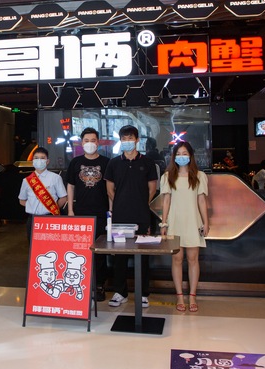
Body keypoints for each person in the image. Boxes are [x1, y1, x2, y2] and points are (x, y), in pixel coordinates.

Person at [104, 125, 158, 308]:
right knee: (120, 256)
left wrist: (140, 204)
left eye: (130, 138)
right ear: (120, 141)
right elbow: (110, 189)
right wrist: (121, 203)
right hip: (120, 217)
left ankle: (143, 293)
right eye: (124, 139)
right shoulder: (113, 163)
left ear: (137, 140)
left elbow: (152, 189)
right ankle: (120, 292)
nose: (127, 141)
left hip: (142, 216)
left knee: (142, 255)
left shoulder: (148, 162)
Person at [159, 141, 209, 312]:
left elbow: (202, 201)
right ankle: (180, 296)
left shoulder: (200, 176)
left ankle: (192, 296)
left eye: (184, 154)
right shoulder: (167, 177)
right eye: (178, 154)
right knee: (177, 259)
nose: (181, 157)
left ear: (191, 156)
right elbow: (166, 201)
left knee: (193, 259)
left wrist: (206, 222)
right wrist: (164, 223)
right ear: (173, 157)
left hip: (193, 222)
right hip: (174, 222)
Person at [66, 127, 110, 301]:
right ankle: (81, 283)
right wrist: (70, 210)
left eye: (93, 140)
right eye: (86, 140)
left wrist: (110, 212)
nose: (90, 143)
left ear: (98, 142)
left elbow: (110, 189)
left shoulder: (106, 162)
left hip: (101, 213)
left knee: (100, 251)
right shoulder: (75, 163)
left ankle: (99, 285)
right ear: (81, 143)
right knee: (80, 250)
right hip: (80, 214)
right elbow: (71, 186)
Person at [18, 147, 67, 240]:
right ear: (33, 161)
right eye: (36, 158)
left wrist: (53, 208)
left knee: (51, 245)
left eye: (42, 158)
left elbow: (63, 198)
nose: (39, 160)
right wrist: (31, 206)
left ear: (47, 161)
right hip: (33, 219)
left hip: (50, 218)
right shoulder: (27, 180)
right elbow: (21, 200)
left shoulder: (55, 178)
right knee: (33, 246)